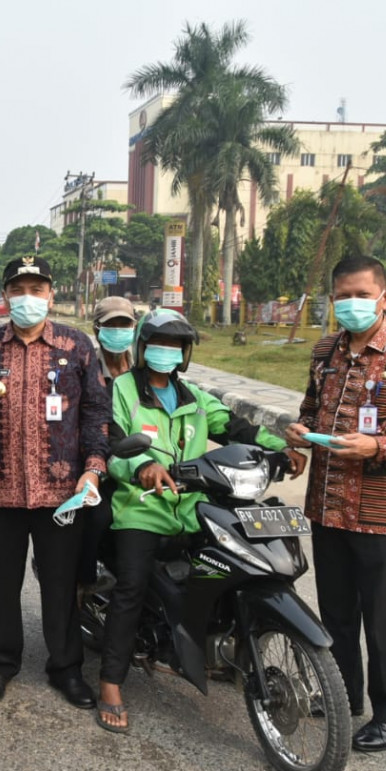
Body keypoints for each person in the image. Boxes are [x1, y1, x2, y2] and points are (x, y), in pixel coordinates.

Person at [96, 309, 306, 733]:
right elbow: (115, 441)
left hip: (192, 508)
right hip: (141, 508)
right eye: (158, 344)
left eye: (176, 346)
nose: (166, 352)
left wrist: (281, 448)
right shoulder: (121, 390)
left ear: (186, 354)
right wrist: (143, 468)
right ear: (141, 349)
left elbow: (236, 427)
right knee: (131, 588)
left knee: (230, 566)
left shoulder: (192, 395)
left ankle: (221, 647)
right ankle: (111, 683)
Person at [285, 255, 386, 753]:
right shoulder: (326, 350)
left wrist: (377, 446)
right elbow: (311, 408)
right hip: (326, 501)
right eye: (342, 296)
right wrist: (298, 433)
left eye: (361, 294)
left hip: (378, 507)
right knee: (335, 611)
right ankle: (344, 695)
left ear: (385, 297)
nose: (351, 304)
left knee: (382, 617)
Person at [0, 256, 110, 709]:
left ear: (51, 295)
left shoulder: (76, 346)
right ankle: (0, 664)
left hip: (61, 493)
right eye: (19, 289)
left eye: (37, 289)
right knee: (1, 582)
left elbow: (97, 411)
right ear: (5, 296)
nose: (28, 298)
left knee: (60, 584)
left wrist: (93, 467)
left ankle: (66, 668)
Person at [77, 296, 139, 594]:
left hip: (142, 457)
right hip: (101, 458)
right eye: (111, 325)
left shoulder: (143, 368)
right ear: (98, 329)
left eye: (124, 324)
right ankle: (83, 584)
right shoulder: (86, 366)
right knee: (97, 515)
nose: (118, 331)